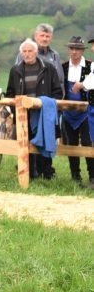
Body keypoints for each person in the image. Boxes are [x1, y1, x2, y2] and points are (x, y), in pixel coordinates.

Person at [6, 39, 64, 180]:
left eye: (30, 51)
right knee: (25, 144)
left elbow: (58, 92)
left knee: (44, 142)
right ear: (21, 54)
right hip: (23, 114)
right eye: (24, 51)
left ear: (36, 51)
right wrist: (15, 111)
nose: (27, 54)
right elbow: (10, 93)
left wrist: (45, 105)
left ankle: (47, 173)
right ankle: (29, 174)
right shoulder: (15, 70)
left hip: (43, 114)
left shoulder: (48, 68)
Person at [60, 36, 94, 185]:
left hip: (86, 112)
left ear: (82, 50)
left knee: (88, 142)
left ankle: (92, 176)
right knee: (71, 143)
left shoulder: (90, 66)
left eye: (78, 49)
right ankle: (75, 176)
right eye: (72, 48)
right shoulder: (63, 67)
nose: (74, 51)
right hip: (68, 113)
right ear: (68, 50)